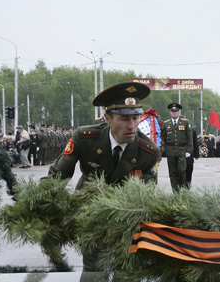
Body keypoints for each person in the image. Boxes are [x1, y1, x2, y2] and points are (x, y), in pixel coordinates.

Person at [47, 82, 161, 271]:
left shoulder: (148, 151)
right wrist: (42, 205)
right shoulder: (85, 138)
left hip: (125, 218)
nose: (132, 126)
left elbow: (146, 197)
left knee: (126, 272)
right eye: (124, 119)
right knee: (93, 271)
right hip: (90, 213)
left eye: (136, 118)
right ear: (107, 118)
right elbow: (56, 177)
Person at [160, 102, 193, 192]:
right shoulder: (166, 124)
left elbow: (189, 137)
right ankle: (175, 191)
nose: (174, 113)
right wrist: (162, 149)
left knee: (182, 170)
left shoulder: (185, 122)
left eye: (176, 111)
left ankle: (182, 189)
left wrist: (189, 150)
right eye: (172, 111)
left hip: (181, 150)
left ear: (178, 112)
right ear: (170, 112)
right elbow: (163, 138)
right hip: (170, 150)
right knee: (172, 172)